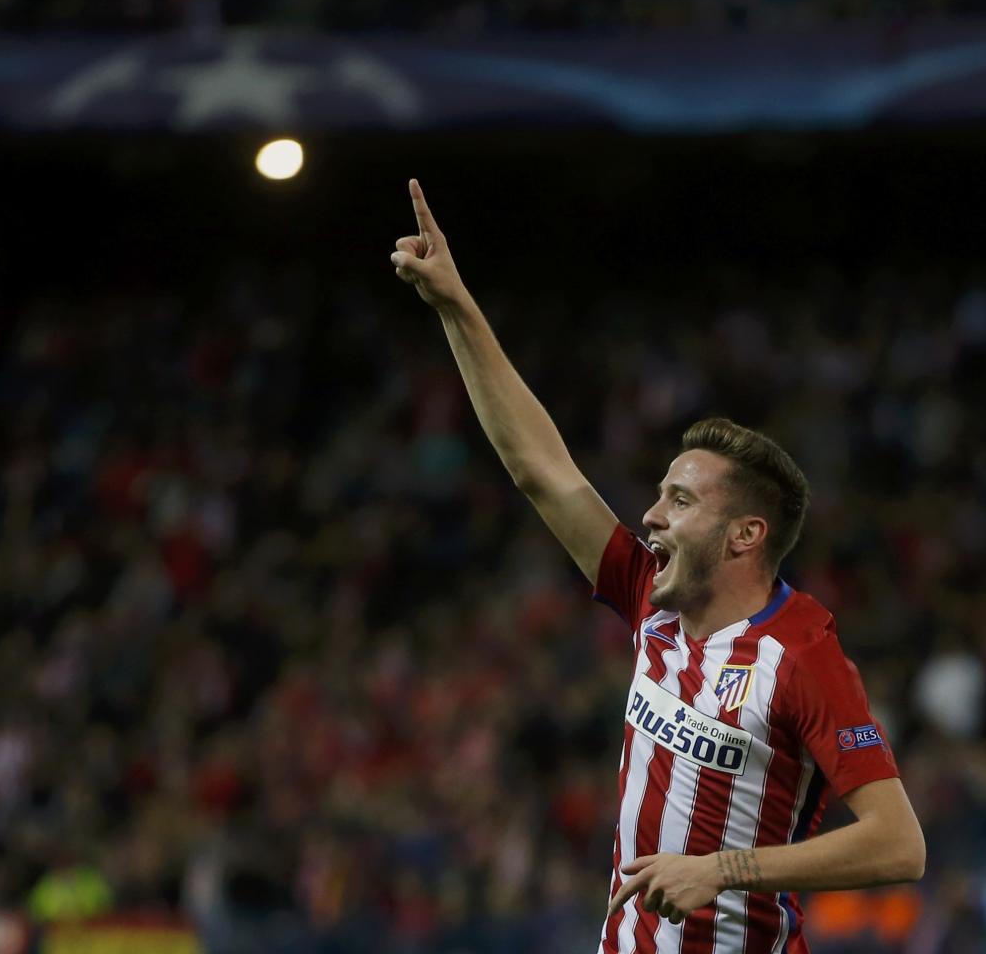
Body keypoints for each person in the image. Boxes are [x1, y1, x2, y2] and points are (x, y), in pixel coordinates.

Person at [390, 179, 925, 953]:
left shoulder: (802, 656)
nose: (651, 516)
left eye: (679, 500)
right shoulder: (652, 597)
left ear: (744, 534)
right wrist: (455, 306)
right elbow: (540, 468)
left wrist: (723, 870)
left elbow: (899, 845)